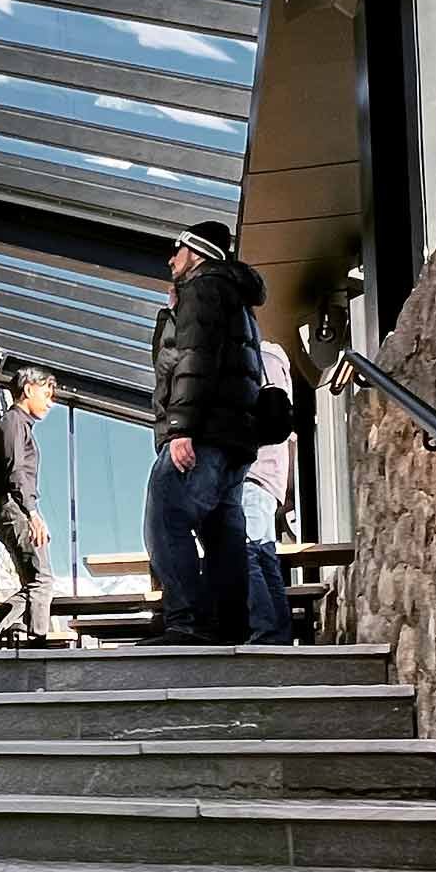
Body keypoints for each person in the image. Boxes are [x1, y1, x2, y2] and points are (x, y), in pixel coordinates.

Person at [143, 220, 265, 645]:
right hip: (234, 439)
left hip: (204, 433)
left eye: (176, 249)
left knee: (164, 517)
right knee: (221, 530)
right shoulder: (236, 299)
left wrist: (180, 428)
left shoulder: (202, 288)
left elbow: (194, 361)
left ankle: (188, 621)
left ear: (195, 251)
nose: (170, 259)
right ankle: (230, 627)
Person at [0, 365, 57, 644]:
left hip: (10, 508)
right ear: (28, 390)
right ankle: (38, 645)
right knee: (42, 581)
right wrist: (33, 513)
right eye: (46, 394)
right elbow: (16, 471)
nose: (50, 403)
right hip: (15, 507)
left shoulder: (16, 424)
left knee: (34, 583)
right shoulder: (13, 422)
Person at [243, 339, 297, 645]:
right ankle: (278, 631)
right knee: (264, 555)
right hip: (271, 477)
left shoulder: (253, 360)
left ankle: (266, 631)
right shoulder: (280, 367)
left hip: (253, 471)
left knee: (247, 551)